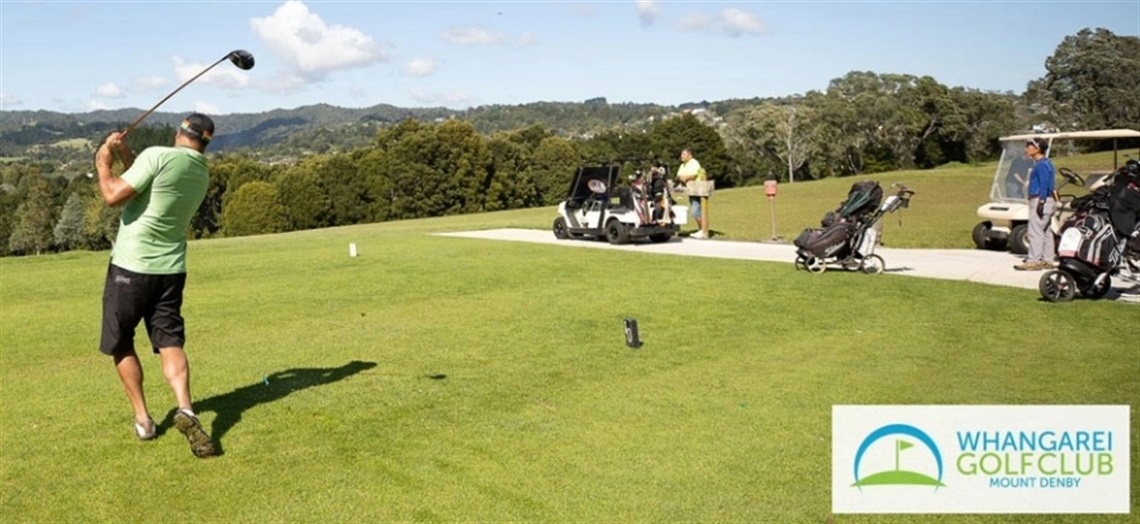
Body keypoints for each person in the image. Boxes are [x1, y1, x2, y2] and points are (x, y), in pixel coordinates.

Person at [95, 113, 217, 458]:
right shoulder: (200, 170)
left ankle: (144, 421)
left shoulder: (157, 156)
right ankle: (186, 409)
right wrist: (125, 153)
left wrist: (103, 163)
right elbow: (149, 180)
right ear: (205, 141)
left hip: (131, 267)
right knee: (169, 340)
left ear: (179, 130)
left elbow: (114, 195)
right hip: (171, 270)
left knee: (121, 341)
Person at [1015, 137, 1056, 271]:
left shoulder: (1041, 165)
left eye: (1030, 146)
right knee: (1046, 230)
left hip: (1040, 199)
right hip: (1047, 200)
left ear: (1037, 149)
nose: (1027, 148)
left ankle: (1034, 261)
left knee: (1035, 231)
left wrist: (1041, 201)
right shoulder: (1047, 163)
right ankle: (1047, 259)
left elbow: (1044, 184)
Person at [675, 148, 708, 238]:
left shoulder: (694, 163)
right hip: (691, 191)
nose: (681, 156)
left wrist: (685, 178)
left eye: (684, 154)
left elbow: (693, 175)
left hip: (697, 190)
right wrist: (683, 178)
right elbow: (679, 176)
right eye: (681, 154)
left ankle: (703, 230)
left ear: (690, 155)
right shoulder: (683, 165)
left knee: (695, 211)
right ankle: (702, 230)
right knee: (696, 211)